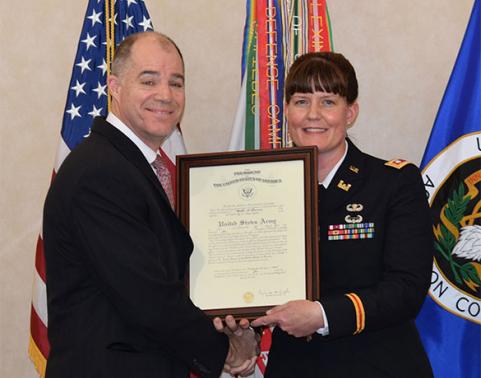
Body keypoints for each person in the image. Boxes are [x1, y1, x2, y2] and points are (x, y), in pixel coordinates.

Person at [43, 31, 257, 378]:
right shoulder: (100, 173)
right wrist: (225, 351)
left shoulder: (132, 166)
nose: (165, 95)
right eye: (149, 80)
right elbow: (147, 296)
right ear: (114, 86)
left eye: (176, 83)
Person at [252, 52, 434, 377]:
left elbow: (407, 289)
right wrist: (239, 332)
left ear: (350, 112)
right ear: (286, 112)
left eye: (328, 102)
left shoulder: (393, 183)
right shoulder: (264, 187)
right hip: (293, 366)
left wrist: (322, 315)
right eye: (301, 100)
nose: (312, 115)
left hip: (377, 365)